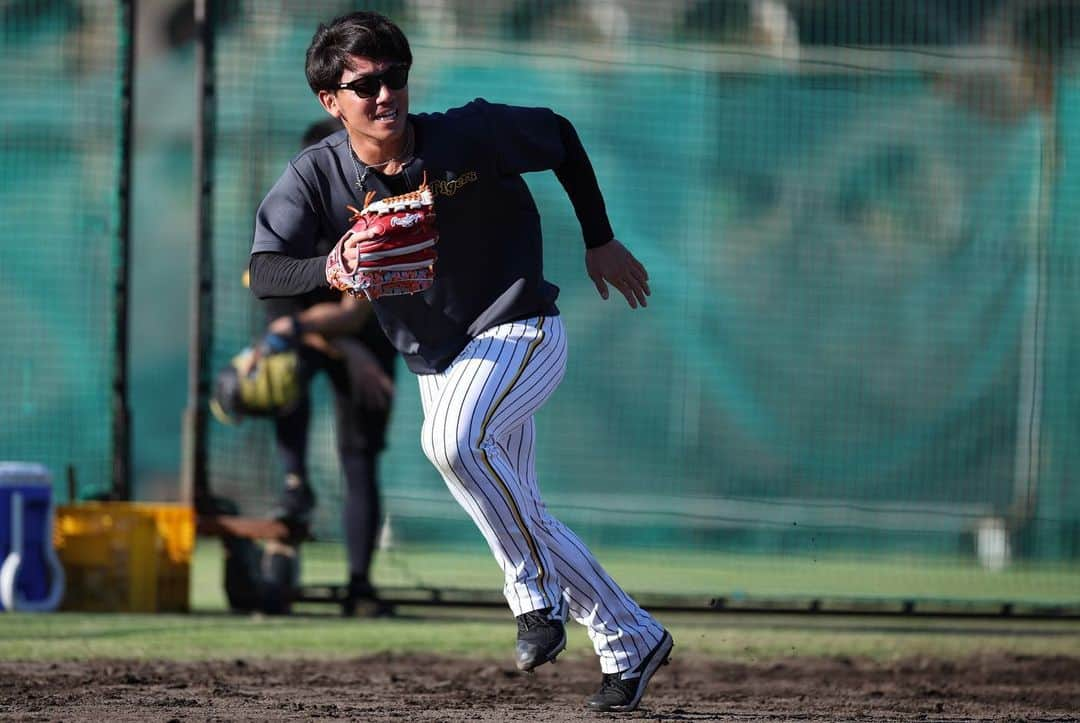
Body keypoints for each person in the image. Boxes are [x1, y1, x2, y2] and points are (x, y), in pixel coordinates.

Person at [248, 11, 671, 712]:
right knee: (521, 503)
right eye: (364, 86)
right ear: (330, 102)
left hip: (521, 326)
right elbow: (264, 268)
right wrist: (329, 263)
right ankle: (630, 634)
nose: (385, 95)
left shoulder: (467, 133)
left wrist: (599, 238)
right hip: (437, 363)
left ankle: (532, 596)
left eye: (394, 77)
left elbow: (560, 136)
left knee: (450, 442)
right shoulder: (317, 173)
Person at [261, 117, 398, 615]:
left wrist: (353, 344)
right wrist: (345, 348)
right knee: (277, 368)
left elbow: (355, 309)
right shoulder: (286, 213)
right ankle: (294, 486)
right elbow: (279, 316)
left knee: (360, 457)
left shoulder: (379, 209)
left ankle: (359, 586)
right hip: (326, 344)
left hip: (373, 337)